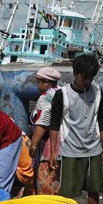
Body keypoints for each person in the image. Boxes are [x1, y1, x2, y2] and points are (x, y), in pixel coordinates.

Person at [48, 55, 103, 204]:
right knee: (68, 194)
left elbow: (101, 120)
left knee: (94, 190)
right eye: (84, 77)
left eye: (90, 78)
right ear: (75, 73)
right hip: (70, 151)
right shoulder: (62, 94)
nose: (87, 81)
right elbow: (54, 125)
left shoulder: (97, 91)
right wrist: (53, 153)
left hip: (94, 150)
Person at [29, 67, 62, 195]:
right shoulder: (61, 92)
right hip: (63, 143)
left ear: (46, 83)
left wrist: (34, 143)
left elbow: (43, 121)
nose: (37, 86)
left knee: (47, 179)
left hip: (49, 144)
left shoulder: (46, 97)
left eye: (39, 82)